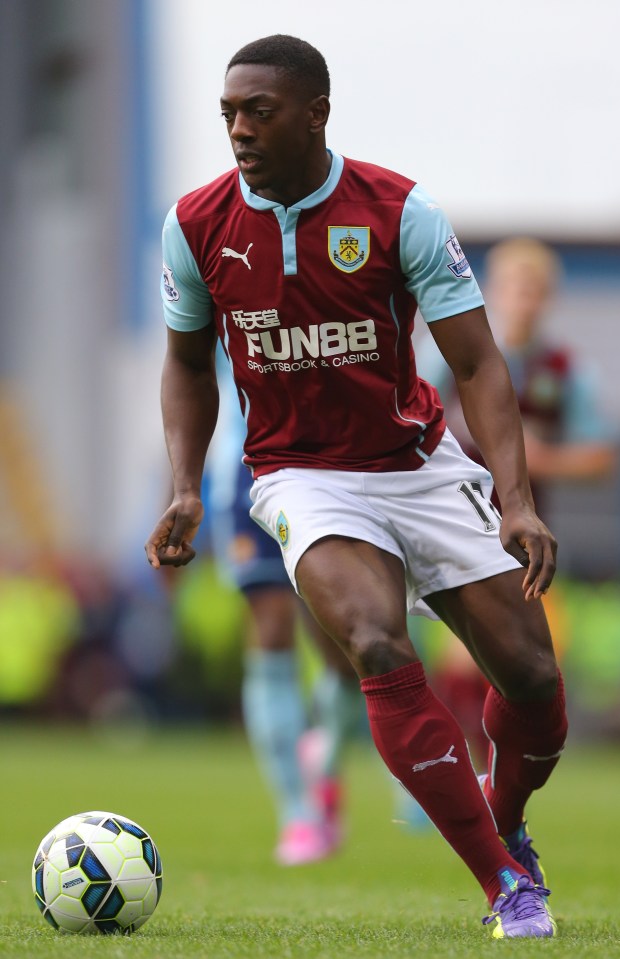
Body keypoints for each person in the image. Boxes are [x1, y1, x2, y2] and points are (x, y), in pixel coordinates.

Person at [145, 35, 568, 938]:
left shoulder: (397, 209)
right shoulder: (196, 224)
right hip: (302, 477)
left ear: (315, 114)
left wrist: (517, 498)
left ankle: (505, 815)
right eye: (228, 112)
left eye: (259, 110)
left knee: (534, 684)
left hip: (418, 467)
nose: (239, 129)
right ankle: (505, 886)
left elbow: (480, 365)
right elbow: (185, 362)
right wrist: (186, 485)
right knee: (374, 641)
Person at [424, 237, 617, 763]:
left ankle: (483, 776)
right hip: (454, 520)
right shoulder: (452, 354)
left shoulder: (563, 371)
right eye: (514, 288)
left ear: (547, 297)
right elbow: (410, 415)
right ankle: (451, 768)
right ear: (493, 293)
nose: (523, 300)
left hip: (527, 536)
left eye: (534, 290)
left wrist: (536, 458)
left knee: (523, 664)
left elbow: (603, 456)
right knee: (464, 656)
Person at [205, 368, 362, 865]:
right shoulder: (221, 290)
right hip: (246, 477)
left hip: (330, 472)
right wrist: (184, 486)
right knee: (271, 628)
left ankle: (326, 758)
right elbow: (188, 375)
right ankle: (297, 813)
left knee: (343, 646)